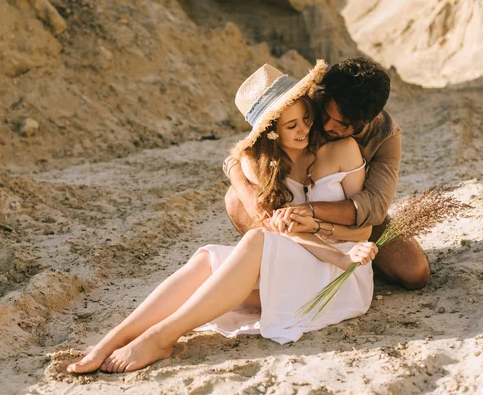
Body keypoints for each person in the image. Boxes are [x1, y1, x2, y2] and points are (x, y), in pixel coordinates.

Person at [67, 61, 378, 374]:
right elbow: (285, 234)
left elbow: (363, 231)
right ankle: (109, 341)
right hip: (298, 260)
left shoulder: (343, 150)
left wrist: (336, 246)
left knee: (258, 239)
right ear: (270, 132)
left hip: (341, 269)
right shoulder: (257, 165)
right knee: (207, 258)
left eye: (306, 118)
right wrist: (301, 227)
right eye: (291, 125)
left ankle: (163, 335)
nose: (305, 130)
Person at [225, 57, 430, 290]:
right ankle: (283, 265)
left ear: (371, 118)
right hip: (291, 212)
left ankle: (353, 267)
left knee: (415, 273)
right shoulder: (308, 101)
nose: (329, 127)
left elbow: (374, 208)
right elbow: (247, 150)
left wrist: (310, 213)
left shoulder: (386, 135)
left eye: (343, 124)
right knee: (235, 198)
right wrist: (245, 190)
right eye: (326, 115)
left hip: (351, 218)